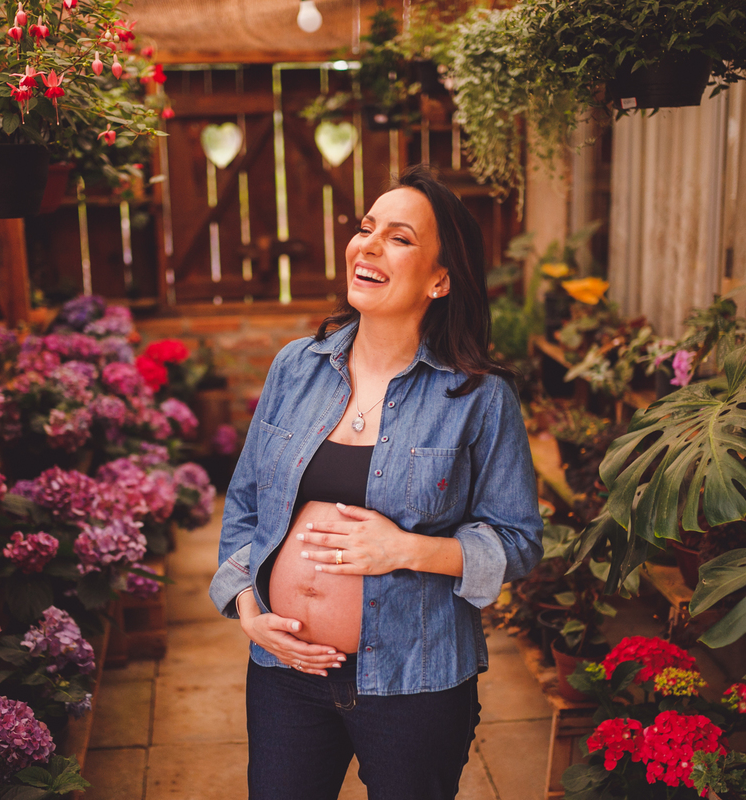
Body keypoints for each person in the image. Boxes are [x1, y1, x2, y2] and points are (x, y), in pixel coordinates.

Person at [209, 165, 543, 800]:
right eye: (365, 229)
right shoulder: (295, 368)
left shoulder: (478, 396)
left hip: (414, 683)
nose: (367, 245)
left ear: (441, 280)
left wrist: (407, 549)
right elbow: (248, 501)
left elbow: (519, 543)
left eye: (400, 238)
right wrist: (249, 611)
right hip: (284, 671)